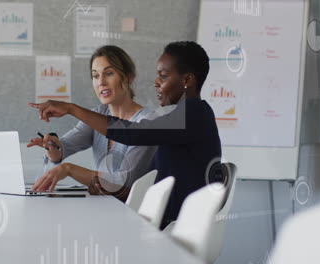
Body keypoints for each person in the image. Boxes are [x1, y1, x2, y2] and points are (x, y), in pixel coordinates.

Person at [29, 41, 221, 229]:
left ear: (187, 80)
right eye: (95, 76)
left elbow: (132, 134)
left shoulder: (192, 115)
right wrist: (107, 186)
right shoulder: (185, 115)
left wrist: (71, 109)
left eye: (163, 76)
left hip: (177, 227)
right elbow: (146, 181)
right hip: (166, 222)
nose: (156, 82)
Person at [27, 45, 157, 201]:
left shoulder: (147, 121)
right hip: (105, 208)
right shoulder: (98, 114)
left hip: (132, 215)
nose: (101, 82)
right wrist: (52, 147)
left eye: (109, 73)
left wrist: (69, 169)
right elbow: (64, 148)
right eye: (95, 76)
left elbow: (121, 183)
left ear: (128, 77)